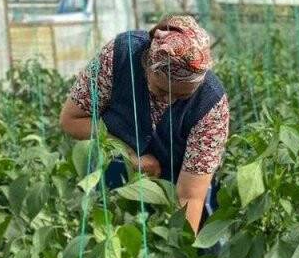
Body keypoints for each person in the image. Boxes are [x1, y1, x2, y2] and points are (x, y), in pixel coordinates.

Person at [59, 14, 230, 235]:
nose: (169, 100)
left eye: (181, 96)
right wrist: (129, 154)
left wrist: (175, 251)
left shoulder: (211, 105)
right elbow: (71, 120)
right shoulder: (119, 57)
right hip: (114, 174)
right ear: (148, 64)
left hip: (175, 189)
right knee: (111, 236)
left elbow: (189, 196)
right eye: (161, 90)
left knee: (190, 252)